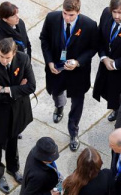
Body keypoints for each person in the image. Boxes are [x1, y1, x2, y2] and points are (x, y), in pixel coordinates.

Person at [40, 0, 98, 151]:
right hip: (56, 68)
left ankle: (73, 131)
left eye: (71, 15)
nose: (67, 18)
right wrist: (49, 62)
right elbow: (44, 40)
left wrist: (78, 62)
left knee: (77, 103)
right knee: (56, 92)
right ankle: (59, 107)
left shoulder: (89, 25)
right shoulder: (52, 18)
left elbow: (93, 48)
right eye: (65, 14)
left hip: (78, 73)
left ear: (78, 12)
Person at [0, 38, 35, 194]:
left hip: (17, 110)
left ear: (14, 53)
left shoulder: (23, 59)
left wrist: (6, 89)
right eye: (1, 57)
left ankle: (13, 168)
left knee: (13, 140)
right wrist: (19, 89)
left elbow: (31, 86)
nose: (4, 61)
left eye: (8, 58)